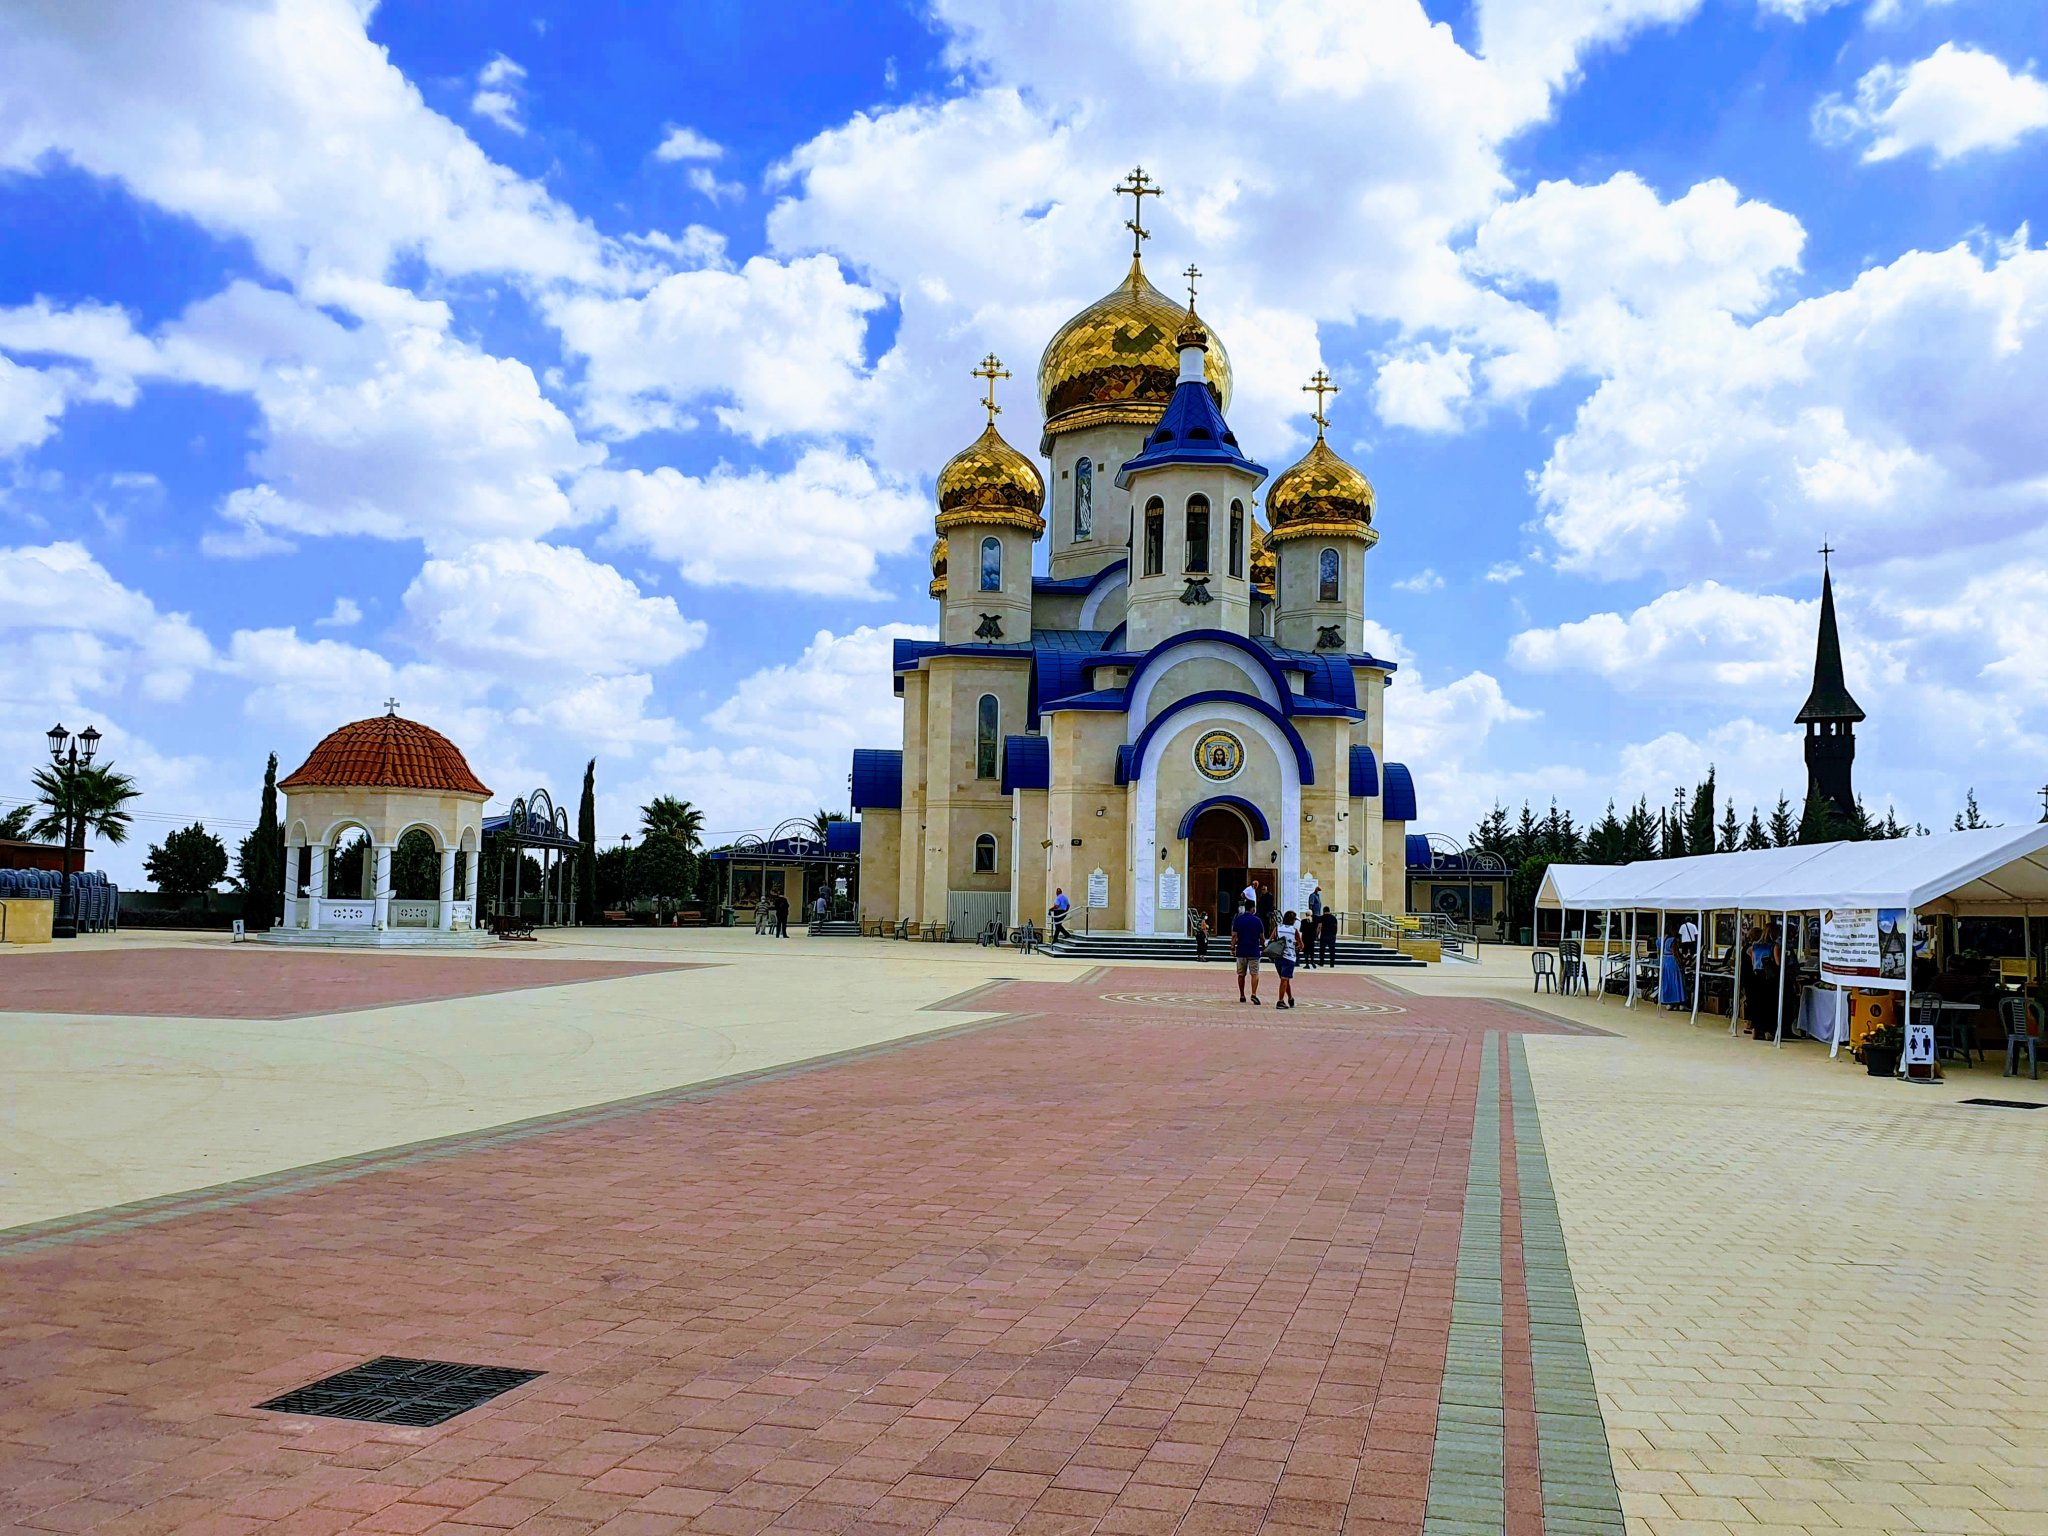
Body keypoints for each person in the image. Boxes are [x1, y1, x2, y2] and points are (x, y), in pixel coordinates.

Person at [1231, 898, 1265, 1005]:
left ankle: (1242, 995)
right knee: (1254, 973)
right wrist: (1264, 946)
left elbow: (1234, 936)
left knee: (1241, 974)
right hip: (1254, 950)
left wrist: (1232, 947)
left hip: (1241, 950)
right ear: (1253, 908)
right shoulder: (1257, 920)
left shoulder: (1238, 920)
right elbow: (1262, 937)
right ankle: (1254, 994)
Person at [1273, 908, 1301, 1009]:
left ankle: (1290, 998)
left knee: (1284, 979)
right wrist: (1296, 947)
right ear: (1292, 920)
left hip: (1278, 957)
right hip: (1289, 957)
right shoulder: (1294, 931)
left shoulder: (1277, 928)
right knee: (1284, 979)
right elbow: (1301, 945)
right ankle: (1280, 1001)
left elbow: (1271, 939)